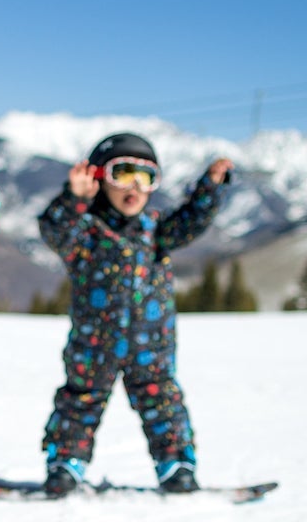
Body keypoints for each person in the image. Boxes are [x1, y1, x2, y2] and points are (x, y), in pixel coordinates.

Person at [37, 132, 233, 497]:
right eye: (122, 173)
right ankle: (65, 463)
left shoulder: (156, 230)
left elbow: (192, 219)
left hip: (152, 345)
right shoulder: (86, 233)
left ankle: (176, 465)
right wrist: (74, 198)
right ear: (99, 178)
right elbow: (54, 230)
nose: (135, 187)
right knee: (80, 401)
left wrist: (210, 188)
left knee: (163, 403)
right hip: (93, 345)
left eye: (146, 177)